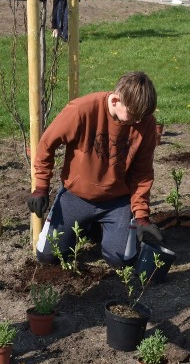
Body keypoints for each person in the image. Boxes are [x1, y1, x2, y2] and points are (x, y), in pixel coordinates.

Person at [27, 72, 163, 267]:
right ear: (116, 100)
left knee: (122, 260)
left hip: (117, 200)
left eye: (143, 117)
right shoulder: (82, 110)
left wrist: (141, 217)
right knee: (48, 256)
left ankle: (105, 228)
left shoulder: (145, 122)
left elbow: (142, 173)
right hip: (77, 195)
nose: (138, 122)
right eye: (134, 115)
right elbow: (47, 143)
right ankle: (89, 225)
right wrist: (41, 186)